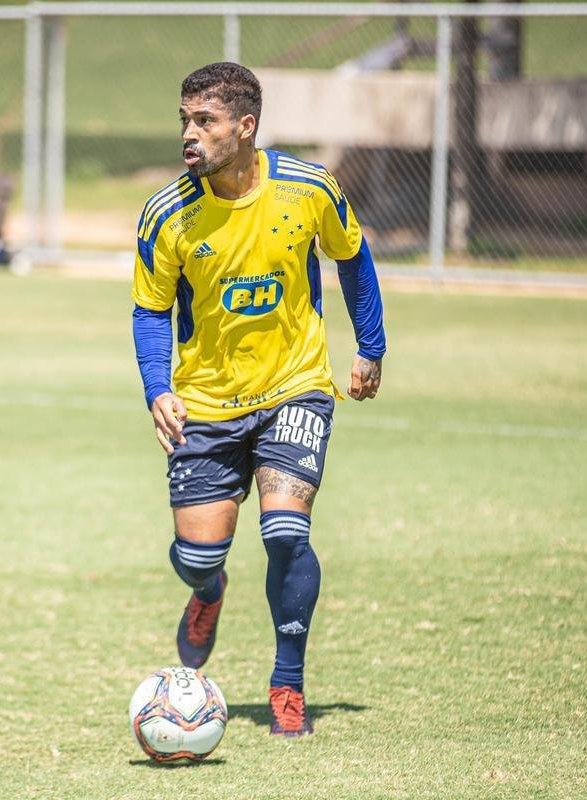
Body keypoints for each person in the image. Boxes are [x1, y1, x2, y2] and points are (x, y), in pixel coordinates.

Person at [131, 62, 386, 737]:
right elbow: (150, 311)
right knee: (197, 558)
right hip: (206, 402)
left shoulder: (308, 189)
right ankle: (209, 593)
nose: (189, 133)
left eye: (204, 121)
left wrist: (370, 347)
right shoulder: (167, 212)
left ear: (245, 127)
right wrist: (159, 389)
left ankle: (288, 685)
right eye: (184, 120)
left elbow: (353, 256)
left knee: (284, 532)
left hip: (294, 386)